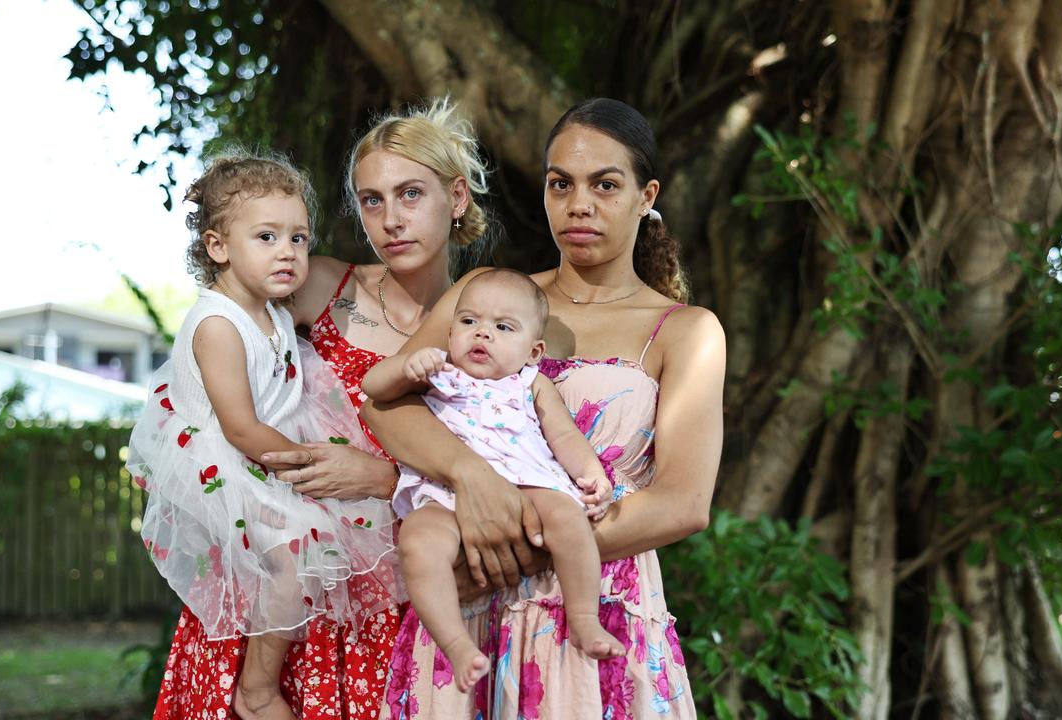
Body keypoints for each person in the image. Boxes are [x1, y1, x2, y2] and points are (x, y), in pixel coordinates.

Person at [366, 98, 725, 719]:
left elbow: (683, 503)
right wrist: (470, 476)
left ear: (647, 195)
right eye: (561, 184)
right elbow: (386, 405)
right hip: (470, 617)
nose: (578, 203)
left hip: (592, 610)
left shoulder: (684, 331)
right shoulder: (488, 300)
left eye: (605, 184)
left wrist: (518, 547)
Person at [149, 98, 493, 720]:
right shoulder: (318, 284)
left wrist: (386, 479)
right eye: (371, 200)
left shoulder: (487, 325)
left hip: (406, 593)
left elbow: (502, 465)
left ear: (458, 198)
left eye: (411, 194)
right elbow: (216, 350)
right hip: (285, 585)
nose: (391, 219)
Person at [128, 152, 403, 720]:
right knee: (301, 548)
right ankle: (256, 688)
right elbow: (239, 425)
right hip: (224, 461)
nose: (288, 252)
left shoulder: (274, 312)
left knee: (337, 535)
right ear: (219, 247)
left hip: (265, 452)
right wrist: (305, 463)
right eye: (267, 236)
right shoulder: (218, 324)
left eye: (299, 238)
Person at [362, 268, 622, 691]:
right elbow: (373, 388)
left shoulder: (530, 382)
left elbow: (563, 435)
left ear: (534, 350)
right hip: (446, 494)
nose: (481, 334)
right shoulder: (440, 372)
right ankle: (455, 643)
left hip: (529, 484)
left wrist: (591, 474)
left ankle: (584, 620)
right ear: (450, 332)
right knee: (418, 541)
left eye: (502, 327)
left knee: (569, 519)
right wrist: (407, 367)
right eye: (469, 322)